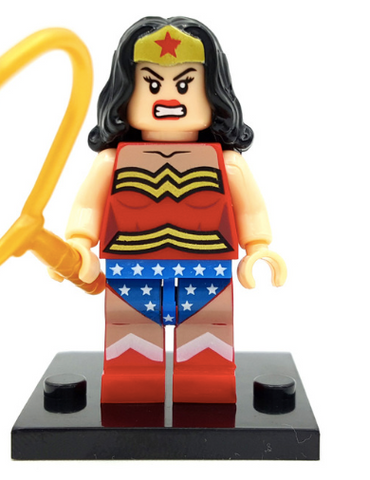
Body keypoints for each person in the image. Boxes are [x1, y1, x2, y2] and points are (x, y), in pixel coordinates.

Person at [66, 16, 286, 403]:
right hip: (131, 271)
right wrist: (79, 244)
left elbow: (251, 210)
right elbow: (87, 205)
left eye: (185, 84)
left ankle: (206, 395)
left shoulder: (227, 163)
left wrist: (258, 248)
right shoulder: (111, 162)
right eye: (152, 84)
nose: (168, 97)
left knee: (208, 340)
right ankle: (132, 397)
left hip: (208, 271)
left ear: (212, 94)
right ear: (126, 94)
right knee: (130, 340)